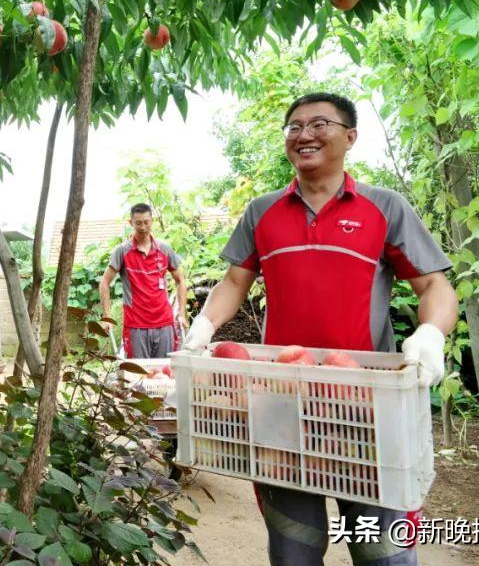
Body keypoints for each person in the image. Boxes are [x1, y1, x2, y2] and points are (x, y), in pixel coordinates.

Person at [184, 92, 458, 565]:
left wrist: (430, 334)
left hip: (368, 412)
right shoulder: (262, 212)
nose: (304, 134)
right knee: (294, 552)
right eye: (294, 126)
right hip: (280, 411)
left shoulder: (384, 207)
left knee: (385, 554)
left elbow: (434, 285)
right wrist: (205, 323)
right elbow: (233, 282)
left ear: (350, 137)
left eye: (319, 124)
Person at [99, 203, 188, 358]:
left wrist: (181, 313)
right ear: (131, 223)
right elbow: (105, 282)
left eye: (146, 222)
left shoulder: (164, 249)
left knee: (164, 374)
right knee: (137, 376)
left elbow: (180, 280)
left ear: (152, 220)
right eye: (138, 223)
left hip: (164, 323)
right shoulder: (122, 251)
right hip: (136, 326)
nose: (142, 227)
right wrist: (106, 317)